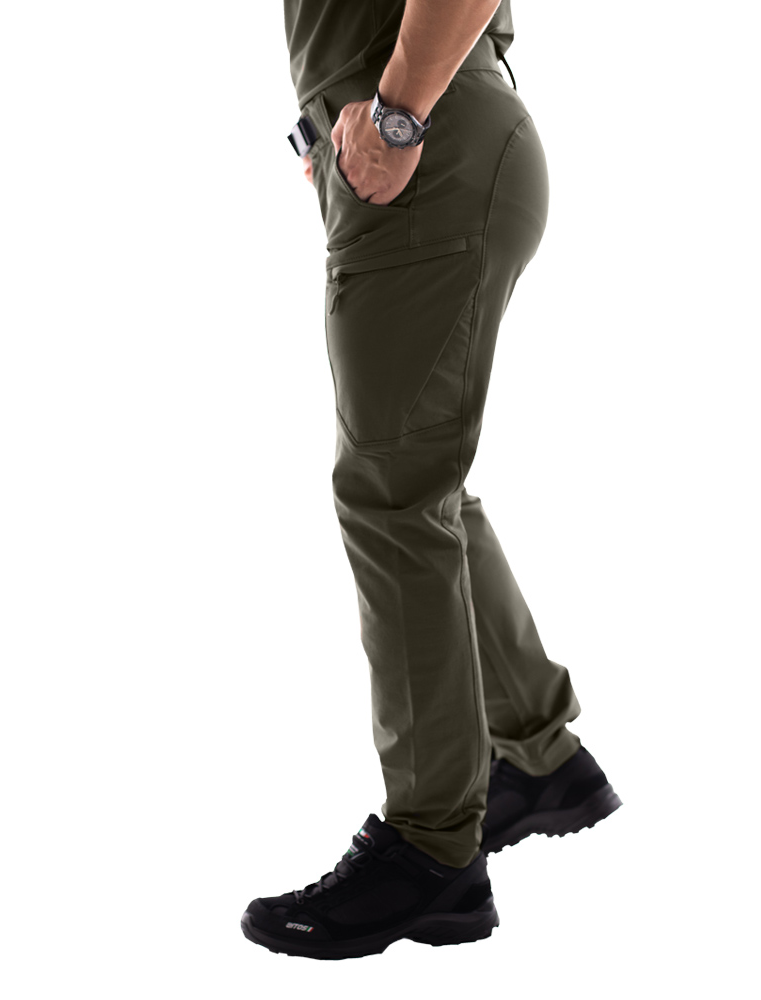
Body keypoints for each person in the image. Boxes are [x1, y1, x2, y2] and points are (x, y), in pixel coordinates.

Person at [242, 0, 621, 959]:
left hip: (426, 142)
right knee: (420, 486)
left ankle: (431, 846)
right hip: (428, 144)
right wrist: (348, 130)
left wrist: (396, 115)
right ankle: (540, 755)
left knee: (393, 496)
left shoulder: (409, 123)